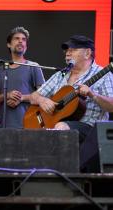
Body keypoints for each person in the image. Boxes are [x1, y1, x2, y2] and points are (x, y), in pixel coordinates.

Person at [29, 35, 113, 171]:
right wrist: (42, 100)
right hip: (61, 124)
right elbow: (34, 96)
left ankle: (61, 173)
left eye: (73, 49)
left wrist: (93, 94)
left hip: (91, 129)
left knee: (61, 126)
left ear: (87, 53)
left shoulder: (103, 75)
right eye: (66, 50)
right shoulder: (60, 75)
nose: (67, 53)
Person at [0, 26, 45, 129]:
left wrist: (20, 98)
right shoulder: (0, 70)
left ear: (26, 46)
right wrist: (7, 95)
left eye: (23, 40)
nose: (21, 41)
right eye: (17, 38)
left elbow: (44, 96)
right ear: (9, 45)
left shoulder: (33, 66)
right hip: (4, 127)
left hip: (30, 125)